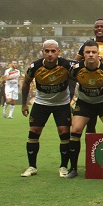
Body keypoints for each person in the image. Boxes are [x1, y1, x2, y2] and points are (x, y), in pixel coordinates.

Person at [20, 40, 74, 177]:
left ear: (58, 52)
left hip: (61, 104)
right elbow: (26, 84)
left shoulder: (66, 65)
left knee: (64, 132)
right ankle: (32, 167)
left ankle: (63, 167)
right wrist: (24, 104)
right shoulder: (35, 66)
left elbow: (79, 76)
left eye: (53, 51)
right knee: (34, 131)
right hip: (41, 103)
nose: (50, 54)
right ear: (42, 52)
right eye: (47, 51)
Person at [67, 40, 103, 179]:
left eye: (93, 52)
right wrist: (69, 99)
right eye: (88, 52)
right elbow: (71, 80)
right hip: (85, 103)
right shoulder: (76, 68)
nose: (91, 54)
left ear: (98, 53)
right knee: (75, 130)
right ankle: (73, 168)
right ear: (83, 54)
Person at [75, 19, 103, 133]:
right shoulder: (86, 45)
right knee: (90, 125)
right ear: (94, 30)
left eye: (102, 26)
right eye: (97, 26)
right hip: (90, 87)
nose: (99, 28)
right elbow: (76, 63)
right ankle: (90, 144)